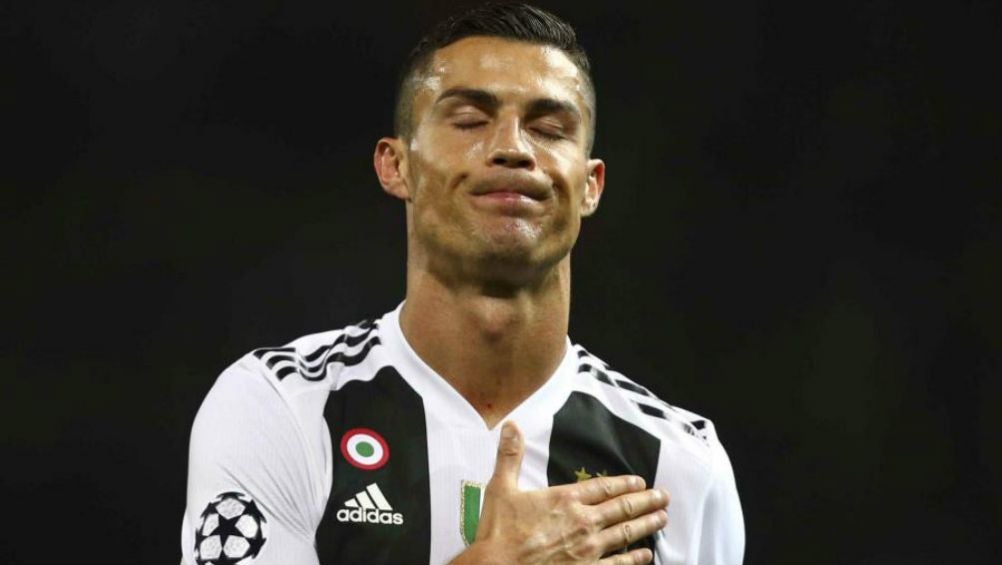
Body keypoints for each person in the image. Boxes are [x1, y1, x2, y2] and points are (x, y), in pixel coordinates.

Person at [181, 3, 744, 564]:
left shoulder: (680, 464)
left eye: (549, 129)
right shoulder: (283, 406)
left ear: (591, 185)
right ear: (396, 165)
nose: (513, 148)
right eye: (471, 120)